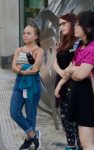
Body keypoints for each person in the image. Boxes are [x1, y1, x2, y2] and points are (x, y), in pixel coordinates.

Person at [55, 11, 94, 150]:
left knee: (86, 142)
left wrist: (72, 71)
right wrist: (60, 84)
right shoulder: (81, 48)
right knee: (84, 140)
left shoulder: (91, 48)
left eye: (78, 25)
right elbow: (70, 70)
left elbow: (80, 74)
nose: (75, 28)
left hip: (87, 98)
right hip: (79, 95)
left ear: (88, 28)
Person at [10, 23, 43, 150]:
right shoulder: (18, 50)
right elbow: (13, 67)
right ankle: (34, 134)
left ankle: (29, 140)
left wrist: (20, 68)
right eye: (24, 33)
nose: (25, 35)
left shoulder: (38, 51)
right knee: (14, 112)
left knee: (31, 114)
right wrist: (23, 71)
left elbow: (35, 69)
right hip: (19, 83)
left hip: (33, 84)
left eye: (29, 33)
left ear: (35, 36)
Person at [53, 13, 82, 150]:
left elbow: (74, 64)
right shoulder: (63, 41)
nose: (61, 27)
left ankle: (79, 145)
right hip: (62, 82)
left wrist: (62, 81)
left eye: (64, 23)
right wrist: (60, 73)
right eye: (60, 24)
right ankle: (71, 145)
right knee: (65, 119)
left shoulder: (80, 42)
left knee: (75, 121)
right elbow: (54, 62)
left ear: (73, 23)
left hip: (73, 85)